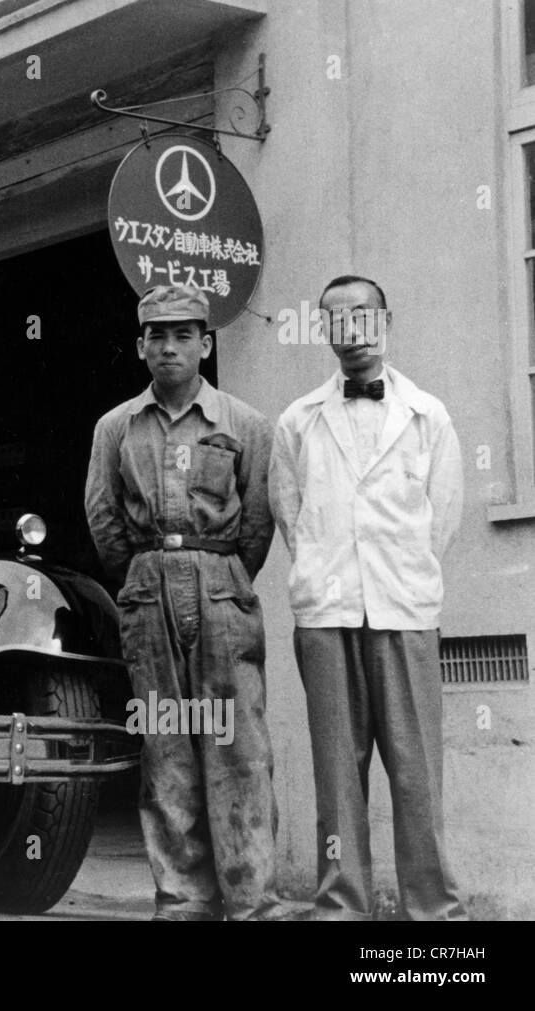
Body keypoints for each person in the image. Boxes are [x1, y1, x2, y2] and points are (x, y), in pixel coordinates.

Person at [268, 275, 467, 920]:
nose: (350, 329)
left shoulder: (427, 414)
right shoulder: (298, 420)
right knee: (337, 779)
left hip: (406, 612)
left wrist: (400, 572)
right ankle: (341, 909)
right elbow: (289, 514)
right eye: (335, 319)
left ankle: (434, 914)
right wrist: (330, 575)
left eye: (362, 315)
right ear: (323, 330)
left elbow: (443, 516)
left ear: (385, 321)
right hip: (326, 616)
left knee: (416, 776)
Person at [85, 283, 281, 920]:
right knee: (166, 751)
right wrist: (146, 575)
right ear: (141, 346)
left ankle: (250, 900)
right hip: (147, 590)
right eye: (157, 336)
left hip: (222, 588)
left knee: (238, 749)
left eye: (183, 335)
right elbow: (104, 518)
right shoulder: (117, 426)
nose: (170, 348)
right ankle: (184, 902)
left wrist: (217, 572)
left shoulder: (245, 423)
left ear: (207, 343)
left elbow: (257, 523)